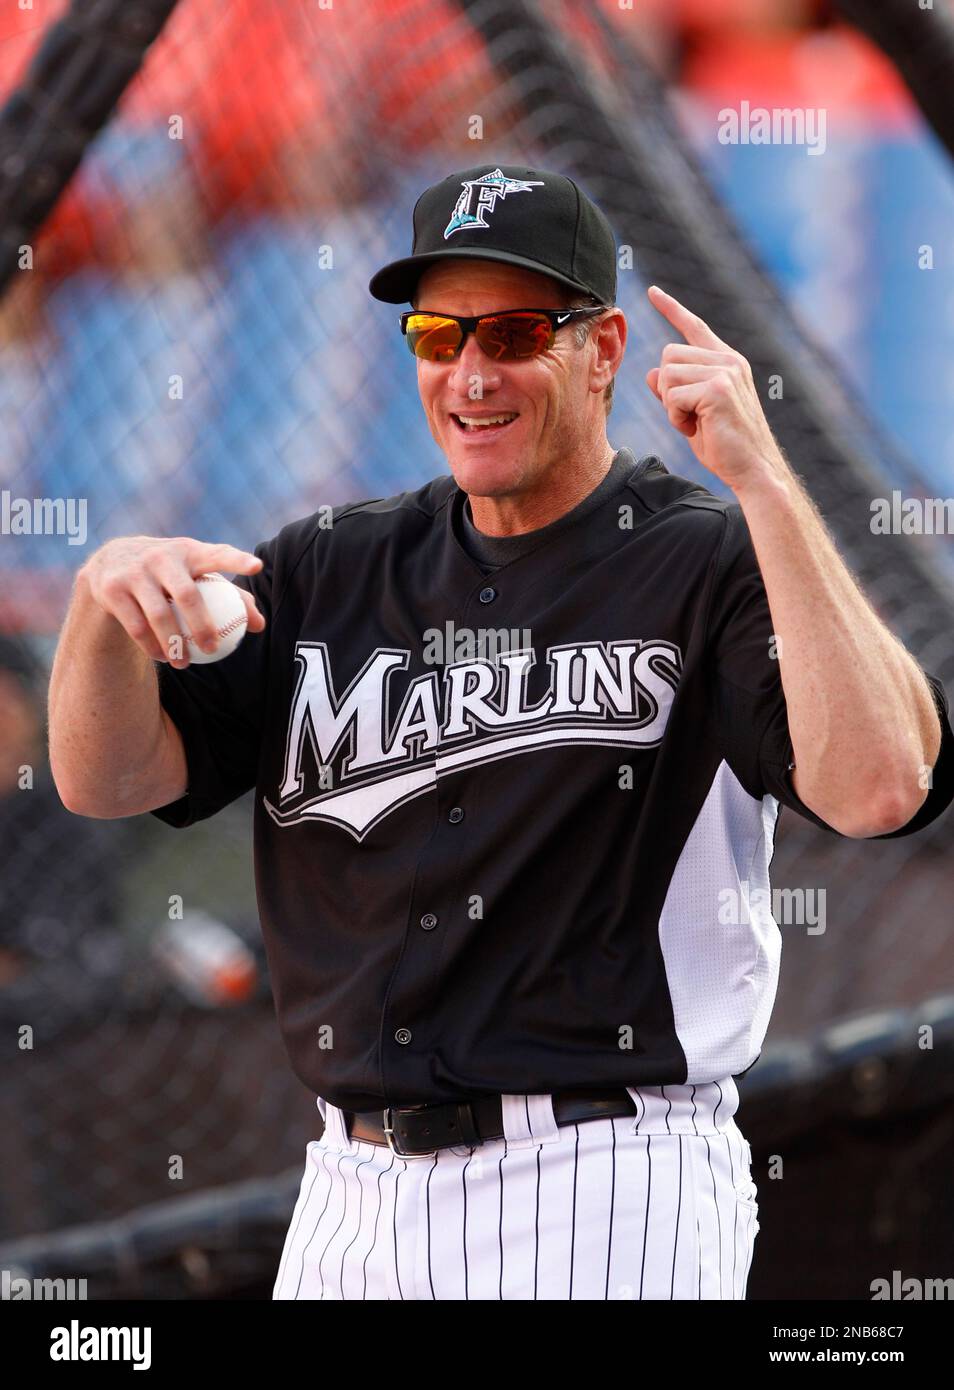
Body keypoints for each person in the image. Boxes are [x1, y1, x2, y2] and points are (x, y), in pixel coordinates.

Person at [47, 164, 954, 1301]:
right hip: (349, 1188)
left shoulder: (704, 559)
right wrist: (100, 606)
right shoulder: (328, 567)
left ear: (604, 347)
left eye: (516, 331)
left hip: (606, 1174)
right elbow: (107, 781)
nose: (470, 372)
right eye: (437, 334)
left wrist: (766, 484)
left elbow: (882, 789)